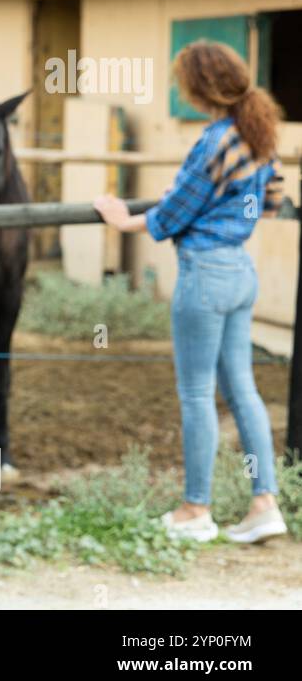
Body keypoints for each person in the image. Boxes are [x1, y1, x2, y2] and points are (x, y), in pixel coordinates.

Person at [93, 40, 287, 544]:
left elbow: (175, 212)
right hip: (241, 271)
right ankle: (264, 502)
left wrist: (121, 218)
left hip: (205, 273)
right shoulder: (260, 135)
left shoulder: (215, 140)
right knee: (242, 389)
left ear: (201, 87)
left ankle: (195, 509)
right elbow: (271, 202)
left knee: (198, 392)